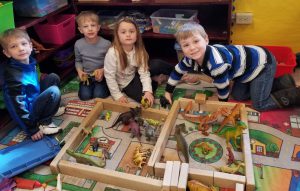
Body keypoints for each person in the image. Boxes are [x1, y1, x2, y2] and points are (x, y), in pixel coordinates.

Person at [164, 22, 299, 111]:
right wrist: (168, 91)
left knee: (259, 104)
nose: (192, 48)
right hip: (245, 68)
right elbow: (177, 71)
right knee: (239, 96)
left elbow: (223, 88)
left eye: (196, 41)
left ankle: (295, 94)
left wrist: (221, 105)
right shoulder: (189, 59)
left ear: (206, 40)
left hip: (263, 64)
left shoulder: (217, 64)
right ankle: (284, 81)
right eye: (186, 45)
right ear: (181, 48)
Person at [0, 28, 64, 141]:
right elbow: (16, 106)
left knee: (53, 77)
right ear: (7, 53)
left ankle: (50, 110)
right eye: (13, 46)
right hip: (29, 114)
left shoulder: (28, 60)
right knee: (53, 91)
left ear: (30, 46)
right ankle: (44, 122)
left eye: (23, 44)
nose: (21, 48)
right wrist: (32, 129)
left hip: (34, 99)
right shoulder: (13, 77)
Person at [104, 17, 173, 106]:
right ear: (117, 35)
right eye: (123, 32)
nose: (128, 35)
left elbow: (144, 72)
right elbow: (109, 77)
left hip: (135, 74)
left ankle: (177, 73)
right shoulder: (112, 53)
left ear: (137, 34)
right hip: (126, 83)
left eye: (131, 31)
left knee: (157, 63)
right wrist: (117, 95)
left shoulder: (139, 50)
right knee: (146, 101)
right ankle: (156, 80)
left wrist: (148, 91)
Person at [75, 11, 111, 100]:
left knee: (99, 95)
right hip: (87, 77)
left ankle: (104, 87)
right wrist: (80, 71)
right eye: (86, 26)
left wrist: (103, 70)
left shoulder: (106, 44)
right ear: (80, 30)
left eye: (93, 25)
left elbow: (112, 63)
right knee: (84, 96)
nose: (90, 29)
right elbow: (78, 61)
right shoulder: (78, 44)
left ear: (98, 27)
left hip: (102, 77)